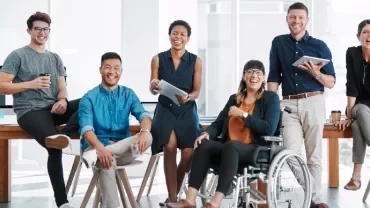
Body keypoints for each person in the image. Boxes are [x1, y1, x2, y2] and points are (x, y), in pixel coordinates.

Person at [167, 60, 281, 208]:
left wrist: (243, 114)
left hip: (254, 149)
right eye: (250, 72)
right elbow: (218, 123)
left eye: (258, 72)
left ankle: (215, 203)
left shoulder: (270, 98)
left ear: (264, 78)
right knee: (204, 145)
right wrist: (207, 134)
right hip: (229, 148)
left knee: (231, 146)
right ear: (244, 76)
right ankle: (189, 200)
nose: (254, 75)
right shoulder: (234, 99)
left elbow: (268, 129)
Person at [0, 12, 79, 208]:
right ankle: (63, 203)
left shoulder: (54, 58)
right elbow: (1, 85)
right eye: (38, 29)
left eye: (46, 29)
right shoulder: (18, 55)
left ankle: (66, 135)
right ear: (29, 30)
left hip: (53, 108)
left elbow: (62, 87)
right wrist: (31, 84)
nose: (42, 33)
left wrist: (62, 99)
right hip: (30, 111)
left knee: (90, 101)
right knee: (54, 148)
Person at [267, 2, 336, 208]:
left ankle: (314, 201)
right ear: (287, 18)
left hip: (314, 101)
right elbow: (273, 75)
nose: (296, 21)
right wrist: (272, 103)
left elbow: (331, 81)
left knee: (314, 156)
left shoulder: (319, 46)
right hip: (288, 104)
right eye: (292, 17)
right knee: (289, 153)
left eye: (300, 18)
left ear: (307, 20)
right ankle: (314, 195)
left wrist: (315, 73)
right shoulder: (278, 43)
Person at [79, 52, 152, 208]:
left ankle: (100, 153)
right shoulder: (89, 98)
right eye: (107, 67)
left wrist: (145, 131)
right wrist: (100, 148)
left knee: (149, 135)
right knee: (106, 162)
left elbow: (144, 115)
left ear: (121, 71)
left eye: (116, 68)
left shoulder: (128, 94)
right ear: (100, 70)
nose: (112, 72)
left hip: (124, 152)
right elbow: (86, 130)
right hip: (98, 149)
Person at [149, 20, 202, 204]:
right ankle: (172, 199)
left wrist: (188, 97)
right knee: (169, 148)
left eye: (182, 34)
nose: (177, 37)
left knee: (188, 154)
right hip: (165, 109)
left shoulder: (196, 61)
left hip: (187, 109)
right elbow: (153, 86)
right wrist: (154, 86)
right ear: (169, 35)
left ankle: (175, 193)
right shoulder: (158, 58)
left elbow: (196, 91)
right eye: (174, 33)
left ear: (188, 38)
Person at [334, 19, 370, 191]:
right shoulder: (352, 53)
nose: (368, 35)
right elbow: (351, 85)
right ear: (358, 36)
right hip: (358, 105)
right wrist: (348, 116)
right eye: (365, 32)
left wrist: (351, 120)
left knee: (356, 127)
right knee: (360, 112)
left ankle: (355, 178)